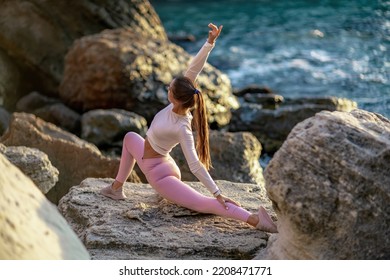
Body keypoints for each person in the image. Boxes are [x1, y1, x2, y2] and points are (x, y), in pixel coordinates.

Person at [101, 23, 278, 233]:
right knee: (130, 137)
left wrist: (218, 193)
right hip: (161, 162)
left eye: (170, 88)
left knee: (205, 204)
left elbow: (194, 165)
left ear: (174, 98)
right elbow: (195, 67)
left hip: (161, 177)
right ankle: (116, 188)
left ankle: (256, 220)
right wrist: (210, 42)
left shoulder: (182, 127)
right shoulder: (179, 103)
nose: (168, 88)